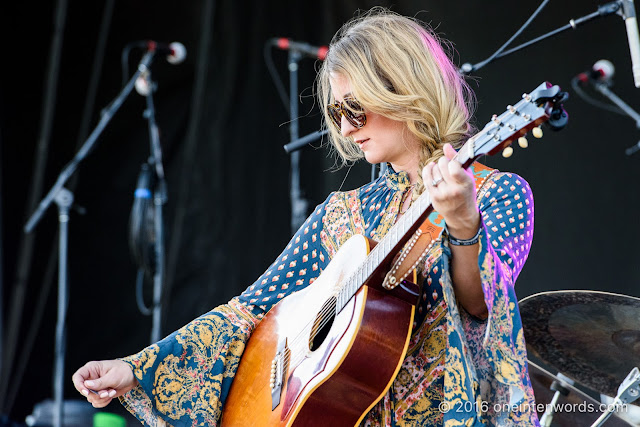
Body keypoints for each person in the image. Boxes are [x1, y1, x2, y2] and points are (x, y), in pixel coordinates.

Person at [73, 8, 539, 426]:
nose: (345, 127)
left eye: (355, 106)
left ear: (405, 90)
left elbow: (483, 310)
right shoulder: (340, 215)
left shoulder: (497, 194)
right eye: (336, 112)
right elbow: (250, 312)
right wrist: (138, 367)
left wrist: (462, 224)